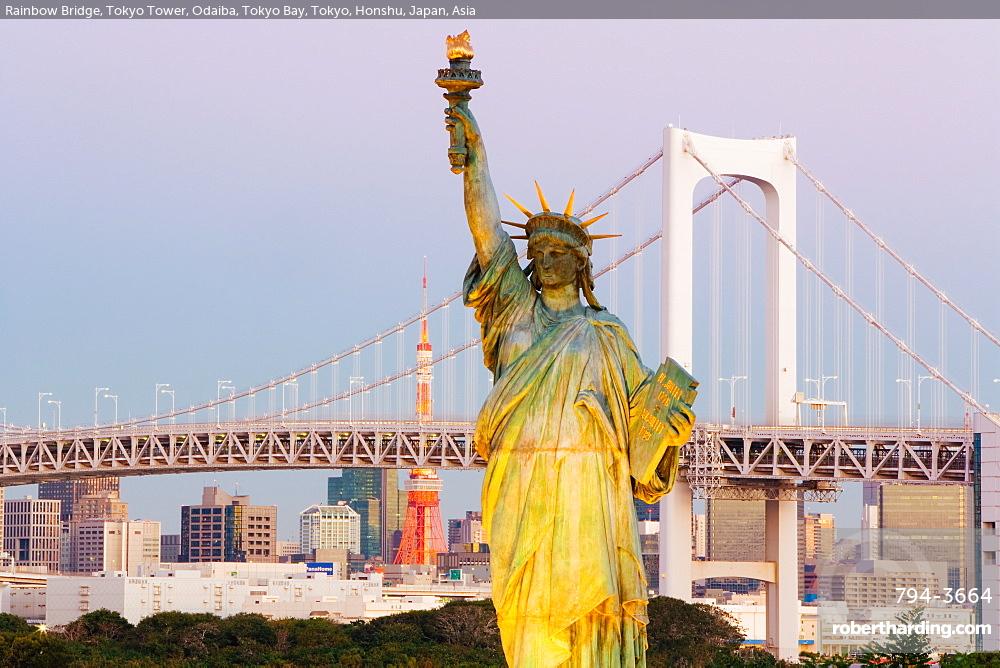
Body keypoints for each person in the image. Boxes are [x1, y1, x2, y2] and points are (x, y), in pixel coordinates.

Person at [446, 104, 696, 667]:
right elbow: (487, 232)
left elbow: (640, 437)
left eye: (561, 253)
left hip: (588, 486)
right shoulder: (511, 311)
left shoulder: (607, 334)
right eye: (539, 253)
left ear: (583, 263)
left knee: (587, 616)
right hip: (521, 479)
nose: (548, 260)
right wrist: (475, 160)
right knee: (526, 622)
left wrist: (668, 433)